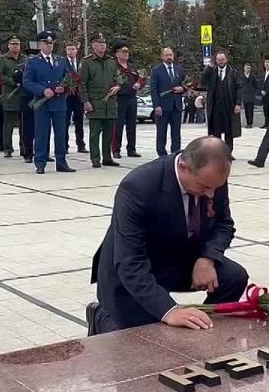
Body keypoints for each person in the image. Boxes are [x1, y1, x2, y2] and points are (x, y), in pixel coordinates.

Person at [87, 136, 248, 334]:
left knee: (234, 278)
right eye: (204, 187)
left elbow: (224, 224)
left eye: (216, 187)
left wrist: (207, 258)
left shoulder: (212, 179)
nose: (211, 195)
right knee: (139, 338)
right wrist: (169, 311)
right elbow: (130, 261)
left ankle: (204, 331)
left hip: (180, 256)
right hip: (134, 269)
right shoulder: (138, 186)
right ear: (183, 167)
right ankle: (99, 317)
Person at [23, 31, 75, 174]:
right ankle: (40, 162)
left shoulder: (61, 60)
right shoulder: (33, 62)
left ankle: (61, 162)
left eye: (51, 44)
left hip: (59, 103)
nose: (49, 46)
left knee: (60, 134)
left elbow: (70, 78)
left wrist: (63, 88)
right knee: (41, 133)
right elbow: (27, 82)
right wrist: (42, 90)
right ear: (40, 45)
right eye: (46, 43)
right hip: (43, 103)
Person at [80, 33, 120, 168]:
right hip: (95, 102)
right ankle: (95, 158)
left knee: (109, 133)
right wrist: (85, 101)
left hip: (110, 103)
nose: (103, 45)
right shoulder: (87, 62)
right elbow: (82, 83)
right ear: (93, 45)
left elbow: (118, 78)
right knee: (94, 133)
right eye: (99, 43)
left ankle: (107, 157)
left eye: (104, 43)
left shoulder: (111, 61)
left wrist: (117, 86)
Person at [202, 51, 243, 155]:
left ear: (226, 60)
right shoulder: (212, 72)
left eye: (222, 60)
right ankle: (217, 153)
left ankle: (228, 153)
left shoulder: (233, 72)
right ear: (215, 61)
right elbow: (203, 81)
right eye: (219, 60)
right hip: (215, 107)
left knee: (229, 131)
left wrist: (238, 103)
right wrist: (208, 68)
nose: (221, 62)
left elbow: (239, 88)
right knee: (216, 131)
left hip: (229, 106)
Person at [149, 46, 185, 155]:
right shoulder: (156, 71)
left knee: (176, 132)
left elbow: (185, 84)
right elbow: (153, 89)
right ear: (162, 56)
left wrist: (182, 89)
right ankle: (162, 154)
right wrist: (156, 105)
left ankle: (176, 152)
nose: (169, 57)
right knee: (161, 132)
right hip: (162, 106)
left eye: (171, 55)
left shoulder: (179, 69)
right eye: (167, 55)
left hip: (176, 106)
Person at [111, 40, 143, 159]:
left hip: (131, 97)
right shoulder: (113, 67)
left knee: (131, 125)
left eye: (127, 52)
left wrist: (139, 84)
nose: (126, 54)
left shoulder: (132, 66)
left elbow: (141, 78)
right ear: (116, 53)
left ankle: (131, 149)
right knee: (118, 125)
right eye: (123, 52)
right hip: (119, 98)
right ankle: (116, 149)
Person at [0, 35, 26, 159]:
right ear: (8, 45)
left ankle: (24, 146)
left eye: (17, 44)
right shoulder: (3, 59)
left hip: (23, 95)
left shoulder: (24, 58)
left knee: (24, 123)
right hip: (9, 95)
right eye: (12, 44)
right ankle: (7, 147)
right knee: (9, 124)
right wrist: (12, 82)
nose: (15, 46)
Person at [62, 43, 87, 154]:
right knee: (65, 122)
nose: (71, 51)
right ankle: (64, 145)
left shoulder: (82, 63)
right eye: (68, 49)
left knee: (79, 121)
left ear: (76, 50)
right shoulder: (62, 63)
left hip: (78, 96)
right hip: (67, 96)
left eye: (73, 49)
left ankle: (80, 144)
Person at [241, 62, 260, 128]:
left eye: (249, 68)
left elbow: (256, 86)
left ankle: (250, 123)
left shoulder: (253, 77)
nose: (248, 69)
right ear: (244, 68)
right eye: (247, 68)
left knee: (250, 110)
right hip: (244, 96)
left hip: (251, 96)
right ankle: (247, 122)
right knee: (246, 110)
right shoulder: (241, 77)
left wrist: (253, 91)